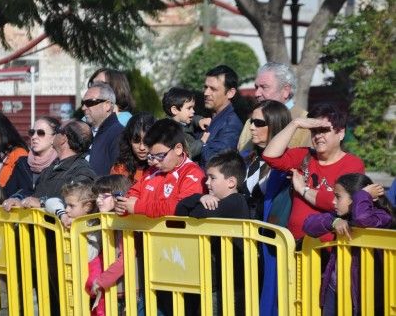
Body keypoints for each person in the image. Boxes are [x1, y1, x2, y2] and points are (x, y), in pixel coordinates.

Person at [262, 103, 365, 241]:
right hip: (295, 247)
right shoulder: (304, 155)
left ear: (340, 133)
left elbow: (337, 202)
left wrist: (302, 189)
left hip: (328, 251)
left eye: (324, 130)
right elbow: (270, 156)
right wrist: (295, 123)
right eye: (314, 131)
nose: (318, 136)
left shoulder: (353, 164)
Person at [303, 173, 395, 315]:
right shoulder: (341, 217)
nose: (333, 201)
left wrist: (364, 194)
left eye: (338, 197)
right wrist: (333, 222)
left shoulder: (382, 216)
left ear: (357, 199)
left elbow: (363, 219)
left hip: (363, 294)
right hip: (334, 288)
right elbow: (309, 225)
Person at [175, 150, 248, 316]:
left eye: (212, 178)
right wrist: (198, 198)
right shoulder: (216, 201)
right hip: (216, 281)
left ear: (231, 182)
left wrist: (198, 202)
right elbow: (179, 210)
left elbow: (197, 215)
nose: (207, 183)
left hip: (232, 284)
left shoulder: (235, 201)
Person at [115, 118, 205, 218]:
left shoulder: (192, 174)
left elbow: (181, 207)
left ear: (178, 149)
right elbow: (134, 193)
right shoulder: (153, 171)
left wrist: (137, 207)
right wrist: (123, 206)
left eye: (160, 156)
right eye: (151, 156)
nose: (154, 161)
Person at [2, 120, 96, 210]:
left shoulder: (82, 172)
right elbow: (34, 196)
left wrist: (42, 203)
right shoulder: (51, 169)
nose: (54, 134)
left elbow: (78, 203)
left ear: (64, 138)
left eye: (58, 131)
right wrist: (18, 200)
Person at [90, 175, 146, 315]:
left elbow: (125, 259)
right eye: (97, 196)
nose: (98, 200)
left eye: (104, 196)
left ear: (119, 196)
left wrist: (101, 281)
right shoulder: (107, 221)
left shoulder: (125, 224)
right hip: (117, 289)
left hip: (130, 291)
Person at [47, 180, 104, 316]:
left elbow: (89, 255)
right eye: (66, 205)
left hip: (87, 284)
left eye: (71, 206)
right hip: (70, 277)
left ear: (88, 206)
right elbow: (51, 201)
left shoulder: (95, 225)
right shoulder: (66, 216)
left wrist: (77, 230)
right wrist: (62, 214)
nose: (67, 209)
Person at [238, 62, 310, 152]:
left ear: (285, 90)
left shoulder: (306, 124)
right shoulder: (251, 122)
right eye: (256, 87)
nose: (257, 93)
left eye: (264, 87)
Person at [241, 100, 292, 222]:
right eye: (251, 121)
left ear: (275, 125)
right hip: (239, 232)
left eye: (258, 123)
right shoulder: (244, 157)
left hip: (268, 234)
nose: (251, 127)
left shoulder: (289, 163)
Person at [4, 116, 60, 199]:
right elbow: (7, 193)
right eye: (32, 132)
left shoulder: (60, 165)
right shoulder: (22, 163)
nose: (34, 137)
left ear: (54, 137)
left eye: (41, 133)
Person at [201, 65, 243, 167]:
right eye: (205, 87)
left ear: (230, 93)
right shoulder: (205, 118)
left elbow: (215, 163)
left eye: (213, 89)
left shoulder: (231, 125)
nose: (206, 93)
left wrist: (200, 144)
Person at [83, 82, 124, 176]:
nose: (83, 107)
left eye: (89, 102)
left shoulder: (119, 134)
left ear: (107, 105)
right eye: (83, 103)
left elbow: (118, 179)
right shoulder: (84, 132)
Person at [162, 87, 208, 161]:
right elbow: (186, 152)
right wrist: (202, 142)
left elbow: (193, 118)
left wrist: (200, 120)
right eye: (189, 108)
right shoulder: (171, 132)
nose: (193, 111)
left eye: (193, 108)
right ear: (175, 110)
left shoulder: (181, 121)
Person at [110, 112, 155, 183]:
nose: (142, 147)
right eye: (136, 141)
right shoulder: (120, 169)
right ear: (129, 140)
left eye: (147, 141)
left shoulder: (164, 168)